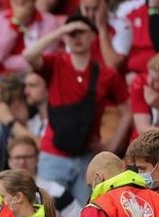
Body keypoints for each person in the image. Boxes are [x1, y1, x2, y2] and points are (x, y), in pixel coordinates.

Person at [24, 13, 131, 204]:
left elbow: (127, 112)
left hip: (87, 157)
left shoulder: (107, 74)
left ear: (93, 36)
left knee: (87, 213)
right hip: (53, 154)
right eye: (71, 33)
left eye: (81, 32)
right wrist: (62, 30)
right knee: (45, 212)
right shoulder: (56, 63)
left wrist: (111, 146)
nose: (76, 37)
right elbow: (29, 55)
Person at [6, 135, 81, 217]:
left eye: (27, 157)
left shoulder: (57, 192)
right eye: (18, 157)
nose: (22, 162)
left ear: (37, 159)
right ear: (10, 161)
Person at [0, 0, 60, 75]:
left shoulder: (49, 21)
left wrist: (6, 62)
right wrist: (15, 24)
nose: (20, 1)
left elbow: (43, 59)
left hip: (32, 75)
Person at [79, 0, 132, 70]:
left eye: (95, 9)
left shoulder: (121, 25)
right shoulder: (76, 26)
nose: (91, 15)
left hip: (110, 78)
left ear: (106, 5)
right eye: (87, 9)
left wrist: (102, 28)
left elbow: (112, 64)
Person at [23, 71, 48, 141]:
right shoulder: (30, 123)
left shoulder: (60, 123)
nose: (26, 91)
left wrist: (11, 123)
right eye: (25, 86)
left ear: (48, 87)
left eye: (32, 85)